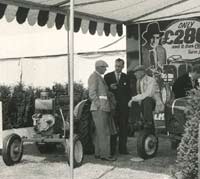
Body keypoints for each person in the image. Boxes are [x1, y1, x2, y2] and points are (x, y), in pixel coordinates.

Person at [88, 60, 116, 161]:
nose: (105, 69)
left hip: (102, 108)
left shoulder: (99, 77)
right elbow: (92, 93)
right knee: (104, 132)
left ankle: (98, 153)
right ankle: (105, 155)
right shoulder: (94, 77)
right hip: (100, 109)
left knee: (99, 132)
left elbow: (103, 92)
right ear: (99, 67)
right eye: (104, 67)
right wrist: (99, 105)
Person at [104, 58, 130, 155]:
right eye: (116, 66)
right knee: (113, 129)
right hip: (112, 108)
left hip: (123, 108)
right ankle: (112, 150)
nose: (117, 68)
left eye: (119, 66)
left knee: (123, 129)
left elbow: (129, 93)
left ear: (123, 66)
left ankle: (123, 149)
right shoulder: (107, 77)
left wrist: (128, 106)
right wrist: (110, 87)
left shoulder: (126, 77)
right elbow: (103, 90)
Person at [128, 65, 164, 131]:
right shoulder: (138, 81)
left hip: (154, 102)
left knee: (147, 100)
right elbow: (140, 94)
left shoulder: (151, 80)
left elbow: (149, 94)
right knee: (135, 102)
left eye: (136, 72)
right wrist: (133, 100)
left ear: (142, 72)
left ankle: (148, 122)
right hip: (144, 103)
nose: (135, 74)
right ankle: (136, 122)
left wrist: (133, 98)